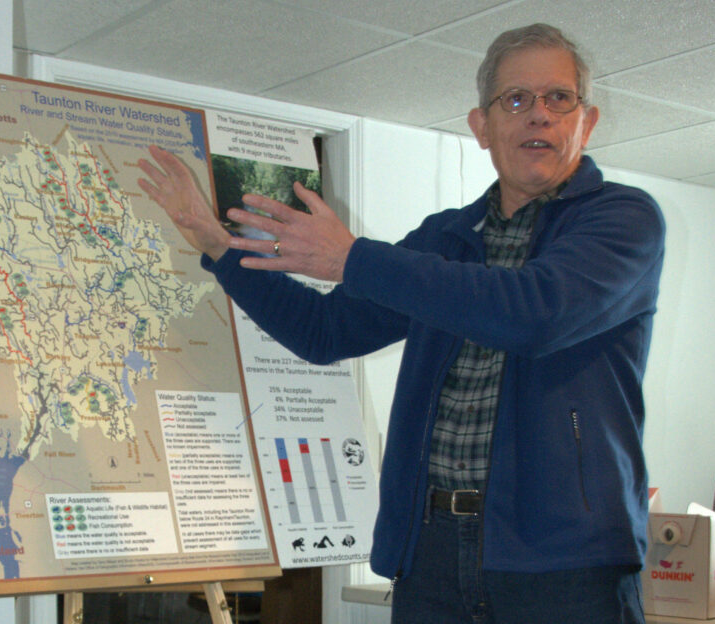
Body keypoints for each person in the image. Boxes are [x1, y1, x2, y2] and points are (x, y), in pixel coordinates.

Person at [137, 22, 664, 624]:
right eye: (516, 99)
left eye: (558, 98)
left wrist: (354, 258)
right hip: (432, 554)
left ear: (585, 121)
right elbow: (325, 331)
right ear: (482, 127)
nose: (538, 115)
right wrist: (220, 248)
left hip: (566, 565)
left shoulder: (624, 219)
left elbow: (535, 313)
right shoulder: (445, 238)